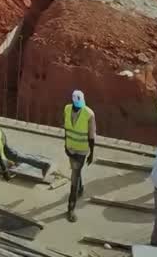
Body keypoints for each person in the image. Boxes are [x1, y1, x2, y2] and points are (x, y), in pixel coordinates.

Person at [63, 89, 96, 223]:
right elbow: (66, 127)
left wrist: (91, 153)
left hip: (80, 151)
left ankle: (71, 207)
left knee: (74, 177)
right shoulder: (67, 109)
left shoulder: (88, 114)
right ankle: (80, 189)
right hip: (71, 149)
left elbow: (91, 135)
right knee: (76, 172)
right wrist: (65, 145)